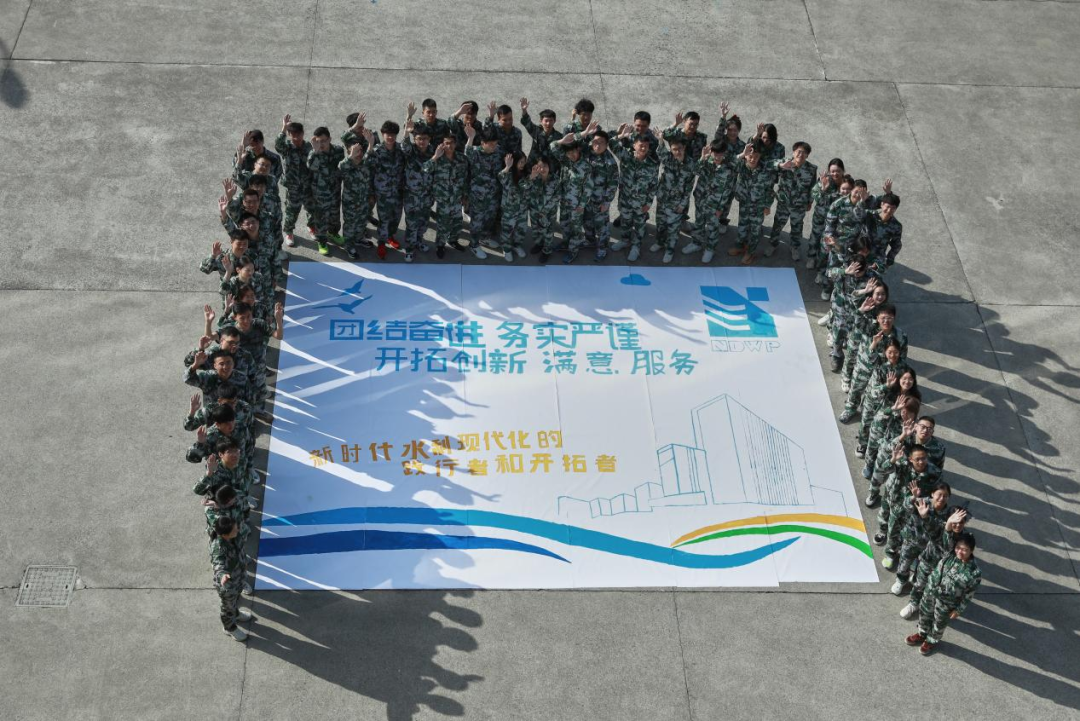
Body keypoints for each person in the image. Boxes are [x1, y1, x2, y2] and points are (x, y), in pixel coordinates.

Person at [906, 532, 981, 655]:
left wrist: (958, 610)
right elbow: (947, 535)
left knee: (939, 622)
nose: (959, 552)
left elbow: (969, 594)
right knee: (924, 614)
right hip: (930, 592)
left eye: (964, 550)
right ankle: (922, 633)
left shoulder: (974, 572)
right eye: (958, 547)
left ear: (971, 550)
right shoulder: (950, 553)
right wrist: (951, 524)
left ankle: (931, 640)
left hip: (947, 602)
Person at [607, 126, 659, 262]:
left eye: (646, 146)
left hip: (641, 203)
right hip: (625, 199)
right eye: (641, 145)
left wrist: (649, 203)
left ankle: (636, 246)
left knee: (640, 225)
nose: (643, 148)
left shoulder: (653, 164)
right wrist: (621, 135)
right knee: (625, 222)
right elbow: (610, 143)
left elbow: (653, 185)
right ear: (634, 145)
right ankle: (625, 241)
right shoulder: (626, 156)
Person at [891, 482, 953, 596]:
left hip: (929, 548)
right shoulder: (923, 502)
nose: (942, 498)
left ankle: (915, 579)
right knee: (904, 562)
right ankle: (901, 580)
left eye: (945, 496)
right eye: (939, 494)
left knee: (922, 567)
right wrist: (913, 497)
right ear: (932, 494)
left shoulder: (949, 514)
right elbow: (906, 507)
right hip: (912, 540)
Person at [681, 141, 736, 264]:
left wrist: (720, 208)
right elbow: (695, 172)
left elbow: (727, 190)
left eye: (720, 154)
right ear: (711, 152)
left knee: (712, 227)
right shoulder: (706, 162)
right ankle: (696, 243)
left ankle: (710, 249)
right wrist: (702, 157)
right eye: (715, 154)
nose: (717, 157)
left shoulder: (728, 169)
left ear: (724, 153)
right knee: (699, 223)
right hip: (700, 200)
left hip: (715, 204)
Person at [650, 134, 698, 264]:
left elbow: (689, 187)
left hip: (677, 203)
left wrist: (683, 204)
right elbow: (660, 152)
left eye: (680, 148)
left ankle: (669, 250)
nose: (677, 151)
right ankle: (660, 242)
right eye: (674, 149)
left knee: (673, 229)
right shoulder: (668, 159)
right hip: (663, 199)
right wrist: (661, 140)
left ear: (684, 148)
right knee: (660, 224)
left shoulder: (690, 165)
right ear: (671, 149)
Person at [728, 140, 776, 265]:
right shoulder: (741, 166)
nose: (753, 159)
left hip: (758, 206)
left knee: (755, 230)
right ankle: (740, 246)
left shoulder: (765, 172)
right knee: (742, 226)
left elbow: (770, 190)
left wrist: (767, 206)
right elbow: (729, 163)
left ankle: (750, 252)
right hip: (744, 203)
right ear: (746, 155)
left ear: (760, 157)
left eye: (756, 156)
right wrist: (742, 154)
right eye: (750, 156)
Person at [767, 141, 817, 260]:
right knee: (778, 224)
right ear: (793, 152)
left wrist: (810, 201)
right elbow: (768, 164)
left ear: (807, 155)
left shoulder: (811, 169)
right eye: (799, 151)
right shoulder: (786, 162)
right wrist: (780, 165)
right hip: (783, 203)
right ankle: (773, 244)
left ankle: (794, 247)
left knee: (797, 227)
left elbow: (812, 187)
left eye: (804, 153)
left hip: (799, 205)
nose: (801, 154)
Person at [549, 132, 594, 263]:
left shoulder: (586, 166)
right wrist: (562, 141)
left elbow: (588, 188)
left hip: (576, 205)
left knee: (576, 229)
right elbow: (552, 146)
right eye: (568, 153)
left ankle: (573, 251)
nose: (572, 155)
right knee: (564, 224)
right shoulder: (565, 161)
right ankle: (566, 243)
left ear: (578, 149)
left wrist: (582, 205)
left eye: (573, 152)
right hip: (564, 202)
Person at [424, 134, 470, 259]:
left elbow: (465, 178)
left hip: (457, 198)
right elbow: (425, 170)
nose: (449, 146)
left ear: (455, 144)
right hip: (443, 199)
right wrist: (435, 156)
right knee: (443, 224)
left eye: (451, 143)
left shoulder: (462, 158)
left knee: (457, 222)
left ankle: (453, 240)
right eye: (446, 143)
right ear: (443, 144)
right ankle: (440, 245)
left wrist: (465, 195)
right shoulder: (438, 157)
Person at [210, 516, 255, 641]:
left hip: (238, 577)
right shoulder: (219, 548)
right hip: (228, 585)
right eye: (235, 529)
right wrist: (223, 575)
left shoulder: (234, 537)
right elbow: (218, 565)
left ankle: (236, 613)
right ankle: (229, 628)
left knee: (235, 600)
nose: (238, 530)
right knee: (227, 608)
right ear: (225, 534)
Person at [367, 120, 406, 257]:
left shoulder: (401, 150)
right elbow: (369, 170)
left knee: (396, 217)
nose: (390, 137)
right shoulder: (376, 151)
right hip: (382, 193)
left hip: (398, 191)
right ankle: (382, 242)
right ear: (382, 134)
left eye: (393, 135)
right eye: (387, 134)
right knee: (384, 219)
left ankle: (390, 236)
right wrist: (371, 193)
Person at [580, 130, 619, 262]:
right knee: (587, 221)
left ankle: (602, 248)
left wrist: (606, 202)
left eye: (601, 142)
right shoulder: (587, 153)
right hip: (586, 199)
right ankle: (590, 241)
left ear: (607, 145)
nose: (597, 145)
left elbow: (613, 184)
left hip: (600, 200)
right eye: (595, 142)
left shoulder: (610, 162)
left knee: (602, 226)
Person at [463, 126, 502, 258]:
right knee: (477, 221)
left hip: (494, 194)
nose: (494, 147)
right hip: (478, 196)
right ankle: (473, 244)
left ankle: (484, 238)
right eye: (491, 144)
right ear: (482, 143)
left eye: (495, 144)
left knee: (490, 218)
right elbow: (467, 152)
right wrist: (471, 138)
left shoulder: (498, 151)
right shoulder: (475, 153)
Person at [338, 127, 376, 259]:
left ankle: (359, 239)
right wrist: (351, 156)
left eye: (360, 151)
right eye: (355, 151)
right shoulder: (346, 165)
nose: (358, 154)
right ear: (349, 151)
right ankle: (348, 245)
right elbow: (341, 168)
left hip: (363, 200)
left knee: (362, 222)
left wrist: (370, 143)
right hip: (351, 203)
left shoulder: (365, 162)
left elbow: (369, 153)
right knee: (350, 225)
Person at [274, 115, 312, 248]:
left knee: (312, 208)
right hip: (293, 186)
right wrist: (283, 128)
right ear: (289, 135)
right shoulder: (287, 148)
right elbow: (278, 145)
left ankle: (312, 226)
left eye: (298, 134)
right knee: (292, 210)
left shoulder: (309, 146)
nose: (296, 137)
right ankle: (289, 232)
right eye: (293, 135)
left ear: (303, 133)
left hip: (307, 185)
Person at [307, 126, 344, 255]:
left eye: (324, 141)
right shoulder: (313, 153)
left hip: (335, 190)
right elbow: (311, 167)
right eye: (318, 141)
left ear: (330, 139)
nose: (321, 144)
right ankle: (322, 241)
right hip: (320, 193)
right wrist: (316, 151)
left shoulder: (338, 151)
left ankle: (333, 233)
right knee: (321, 217)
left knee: (335, 214)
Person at [401, 120, 435, 262]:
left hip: (427, 195)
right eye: (419, 139)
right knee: (412, 223)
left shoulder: (433, 151)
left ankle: (419, 241)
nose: (422, 142)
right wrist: (407, 132)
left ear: (429, 139)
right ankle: (409, 249)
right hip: (412, 195)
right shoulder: (411, 150)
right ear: (415, 139)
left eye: (425, 139)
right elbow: (404, 146)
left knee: (424, 221)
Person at [526, 159, 562, 260]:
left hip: (548, 213)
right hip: (534, 211)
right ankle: (539, 244)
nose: (542, 169)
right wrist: (531, 176)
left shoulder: (555, 180)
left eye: (545, 166)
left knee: (548, 233)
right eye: (540, 167)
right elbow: (524, 188)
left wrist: (545, 211)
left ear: (549, 167)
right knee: (535, 230)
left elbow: (557, 196)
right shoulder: (533, 177)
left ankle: (547, 251)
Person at [498, 152, 531, 261]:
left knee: (521, 228)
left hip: (522, 208)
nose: (523, 164)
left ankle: (517, 245)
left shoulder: (527, 173)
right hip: (509, 209)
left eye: (524, 162)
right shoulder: (508, 174)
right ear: (515, 161)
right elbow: (501, 177)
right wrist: (507, 166)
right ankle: (506, 248)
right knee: (507, 229)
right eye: (520, 162)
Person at [519, 98, 563, 170]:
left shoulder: (559, 137)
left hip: (549, 170)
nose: (548, 123)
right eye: (546, 121)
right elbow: (526, 121)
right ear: (541, 121)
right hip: (532, 167)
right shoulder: (536, 131)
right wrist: (524, 110)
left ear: (554, 121)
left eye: (551, 120)